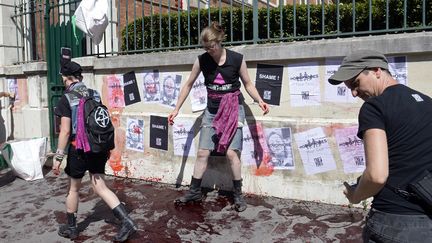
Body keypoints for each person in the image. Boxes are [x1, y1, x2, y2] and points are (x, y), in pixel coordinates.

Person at [328, 50, 432, 242]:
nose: (354, 93)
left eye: (356, 83)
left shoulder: (374, 107)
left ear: (377, 70)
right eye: (349, 87)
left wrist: (356, 195)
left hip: (394, 221)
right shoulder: (427, 102)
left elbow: (377, 175)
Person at [168, 21, 270, 212]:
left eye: (212, 47)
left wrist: (259, 100)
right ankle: (195, 191)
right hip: (212, 111)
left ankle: (238, 195)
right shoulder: (202, 60)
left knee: (232, 154)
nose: (209, 51)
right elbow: (188, 84)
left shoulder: (237, 59)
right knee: (202, 153)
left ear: (220, 41)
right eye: (206, 48)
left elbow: (248, 84)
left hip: (233, 110)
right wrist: (176, 109)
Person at [52, 60, 137, 241]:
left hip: (79, 148)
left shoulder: (66, 98)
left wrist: (58, 156)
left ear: (65, 78)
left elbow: (65, 131)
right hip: (98, 146)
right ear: (80, 77)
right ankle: (127, 221)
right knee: (100, 186)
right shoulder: (95, 94)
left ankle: (72, 228)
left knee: (73, 189)